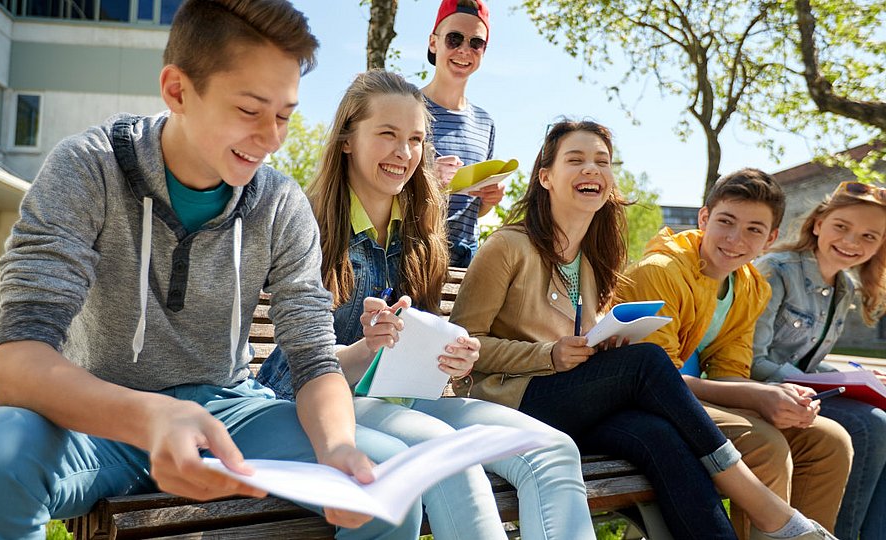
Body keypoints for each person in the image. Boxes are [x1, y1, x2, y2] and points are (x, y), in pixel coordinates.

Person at [0, 2, 424, 539]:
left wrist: (337, 448)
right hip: (97, 417)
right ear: (177, 90)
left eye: (283, 115)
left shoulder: (279, 204)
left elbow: (313, 358)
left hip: (231, 415)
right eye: (250, 110)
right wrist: (150, 417)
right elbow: (17, 363)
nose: (273, 137)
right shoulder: (87, 170)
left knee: (382, 482)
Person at [450, 119, 839, 540]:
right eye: (575, 160)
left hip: (569, 402)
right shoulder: (509, 246)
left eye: (602, 161)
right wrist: (547, 355)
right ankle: (763, 507)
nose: (591, 170)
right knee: (647, 362)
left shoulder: (593, 257)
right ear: (546, 176)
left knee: (661, 437)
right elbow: (462, 349)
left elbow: (576, 345)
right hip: (510, 403)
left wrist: (601, 345)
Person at [256, 69, 596, 540]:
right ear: (349, 139)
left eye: (415, 139)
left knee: (550, 448)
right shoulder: (307, 225)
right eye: (388, 135)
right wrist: (366, 349)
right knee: (444, 457)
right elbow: (298, 363)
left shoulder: (420, 232)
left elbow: (419, 342)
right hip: (313, 400)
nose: (404, 153)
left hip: (396, 398)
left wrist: (453, 356)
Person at [617, 169, 853, 539]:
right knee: (764, 444)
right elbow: (655, 380)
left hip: (689, 396)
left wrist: (780, 398)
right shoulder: (660, 272)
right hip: (640, 405)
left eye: (753, 230)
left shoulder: (749, 286)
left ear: (770, 238)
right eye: (725, 221)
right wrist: (756, 395)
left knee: (828, 441)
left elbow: (729, 370)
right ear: (704, 218)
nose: (735, 239)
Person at [751, 181, 886, 540]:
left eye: (869, 237)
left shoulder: (845, 288)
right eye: (842, 227)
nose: (852, 243)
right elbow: (753, 360)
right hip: (760, 394)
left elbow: (806, 364)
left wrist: (854, 376)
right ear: (818, 224)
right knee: (871, 426)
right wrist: (823, 381)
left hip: (800, 392)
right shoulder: (775, 270)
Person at [422, 0, 506, 267]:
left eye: (475, 43)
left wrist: (488, 201)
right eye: (454, 39)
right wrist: (427, 178)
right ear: (433, 42)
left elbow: (469, 210)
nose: (464, 50)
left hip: (464, 262)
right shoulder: (406, 108)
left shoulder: (485, 123)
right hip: (411, 254)